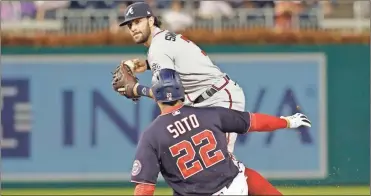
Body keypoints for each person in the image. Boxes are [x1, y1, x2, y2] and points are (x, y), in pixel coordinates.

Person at [115, 2, 289, 195]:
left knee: (220, 169)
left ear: (150, 19)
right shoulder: (164, 40)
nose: (133, 28)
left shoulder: (158, 48)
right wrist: (148, 65)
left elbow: (168, 90)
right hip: (206, 99)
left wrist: (137, 89)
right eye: (130, 25)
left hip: (218, 98)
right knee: (204, 169)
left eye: (137, 22)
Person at [131, 69, 312, 195]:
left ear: (156, 95)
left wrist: (139, 89)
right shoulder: (209, 114)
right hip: (236, 188)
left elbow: (145, 188)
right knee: (244, 173)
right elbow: (253, 122)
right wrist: (287, 121)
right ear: (181, 90)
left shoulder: (151, 136)